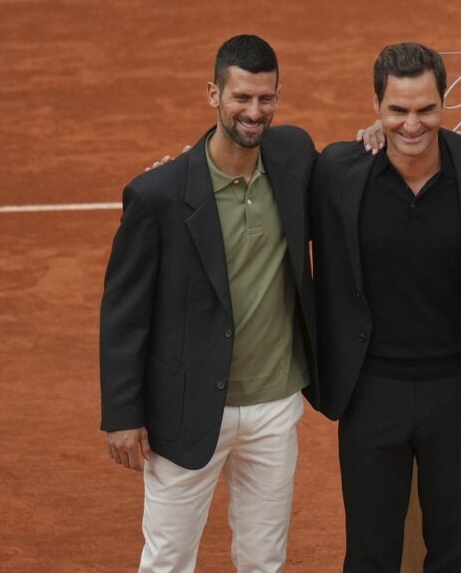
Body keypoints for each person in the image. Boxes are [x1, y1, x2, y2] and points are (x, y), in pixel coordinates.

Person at [99, 34, 320, 572]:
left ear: (278, 96)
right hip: (186, 408)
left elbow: (352, 171)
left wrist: (377, 133)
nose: (254, 111)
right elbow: (124, 314)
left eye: (265, 98)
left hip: (273, 404)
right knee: (168, 559)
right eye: (241, 97)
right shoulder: (157, 195)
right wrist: (123, 415)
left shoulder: (294, 155)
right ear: (213, 94)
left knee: (264, 559)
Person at [312, 42, 461, 572]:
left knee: (453, 551)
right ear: (376, 107)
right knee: (370, 554)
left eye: (426, 109)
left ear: (445, 102)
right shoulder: (338, 170)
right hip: (371, 391)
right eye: (397, 110)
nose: (411, 124)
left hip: (459, 390)